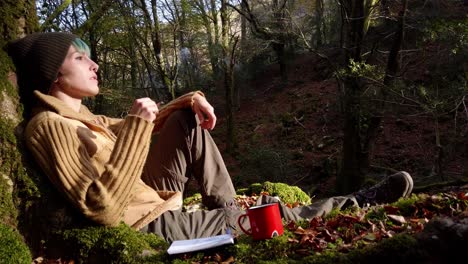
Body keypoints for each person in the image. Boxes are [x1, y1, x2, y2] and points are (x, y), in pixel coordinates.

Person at [7, 32, 414, 243]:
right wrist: (134, 127)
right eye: (80, 58)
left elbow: (147, 123)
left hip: (156, 198)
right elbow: (102, 210)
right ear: (52, 75)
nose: (94, 64)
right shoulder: (48, 127)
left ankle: (232, 214)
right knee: (276, 216)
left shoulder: (83, 116)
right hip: (146, 226)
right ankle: (358, 203)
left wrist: (190, 100)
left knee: (186, 121)